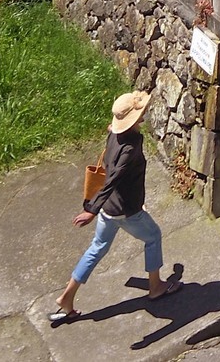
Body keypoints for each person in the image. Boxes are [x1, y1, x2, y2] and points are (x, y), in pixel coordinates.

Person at [50, 88, 183, 326]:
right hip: (124, 210)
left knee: (97, 249)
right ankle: (156, 287)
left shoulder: (115, 135)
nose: (145, 113)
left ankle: (66, 297)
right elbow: (113, 179)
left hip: (108, 210)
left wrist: (97, 208)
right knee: (153, 237)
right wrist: (91, 209)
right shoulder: (131, 145)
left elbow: (115, 144)